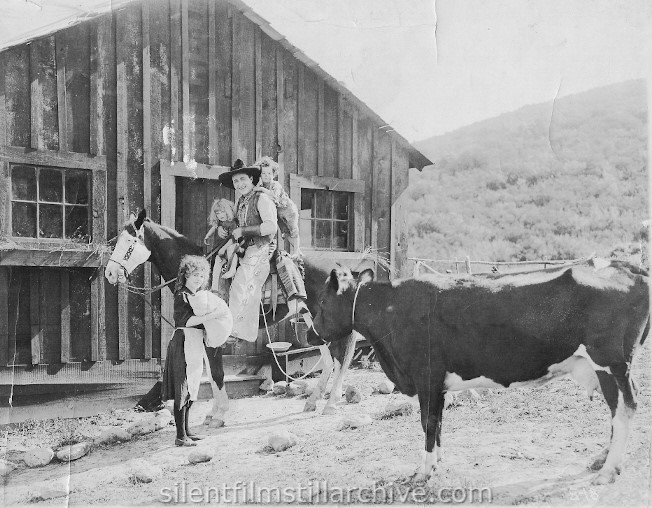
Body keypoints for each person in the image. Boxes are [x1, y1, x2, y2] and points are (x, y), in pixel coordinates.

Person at [161, 255, 232, 445]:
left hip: (194, 342)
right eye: (194, 275)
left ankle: (187, 431)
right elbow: (185, 322)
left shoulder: (198, 297)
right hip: (183, 341)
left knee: (192, 387)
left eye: (201, 276)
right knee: (182, 388)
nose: (198, 279)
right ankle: (179, 436)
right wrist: (212, 315)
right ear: (185, 275)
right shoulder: (181, 295)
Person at [217, 159, 278, 343]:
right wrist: (222, 227)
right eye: (236, 182)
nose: (239, 184)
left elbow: (270, 227)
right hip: (244, 249)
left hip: (260, 248)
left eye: (243, 179)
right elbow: (235, 223)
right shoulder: (241, 201)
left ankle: (240, 333)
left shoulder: (262, 199)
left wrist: (243, 231)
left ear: (252, 179)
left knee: (241, 284)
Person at [253, 156, 301, 255]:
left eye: (269, 173)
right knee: (285, 232)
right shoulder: (261, 186)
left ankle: (296, 251)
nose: (266, 176)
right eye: (263, 173)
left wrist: (261, 190)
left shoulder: (275, 185)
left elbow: (273, 196)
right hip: (278, 214)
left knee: (293, 230)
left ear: (274, 174)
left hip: (288, 210)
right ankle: (297, 250)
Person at [204, 198, 241, 282]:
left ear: (227, 211)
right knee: (215, 261)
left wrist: (223, 249)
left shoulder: (232, 223)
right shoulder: (220, 222)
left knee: (231, 250)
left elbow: (233, 238)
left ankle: (232, 269)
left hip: (229, 246)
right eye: (218, 213)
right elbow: (214, 227)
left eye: (222, 212)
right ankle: (214, 285)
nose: (220, 215)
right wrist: (207, 235)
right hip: (219, 247)